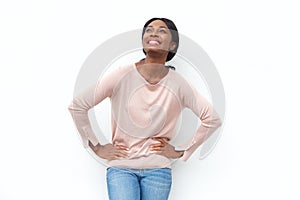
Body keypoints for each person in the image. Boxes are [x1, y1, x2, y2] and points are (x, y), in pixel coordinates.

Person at [68, 17, 222, 200]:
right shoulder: (121, 75)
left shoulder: (179, 84)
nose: (154, 32)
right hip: (121, 169)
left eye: (162, 30)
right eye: (149, 30)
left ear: (172, 45)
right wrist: (96, 147)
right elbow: (78, 106)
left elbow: (212, 119)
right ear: (143, 41)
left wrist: (182, 151)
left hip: (158, 171)